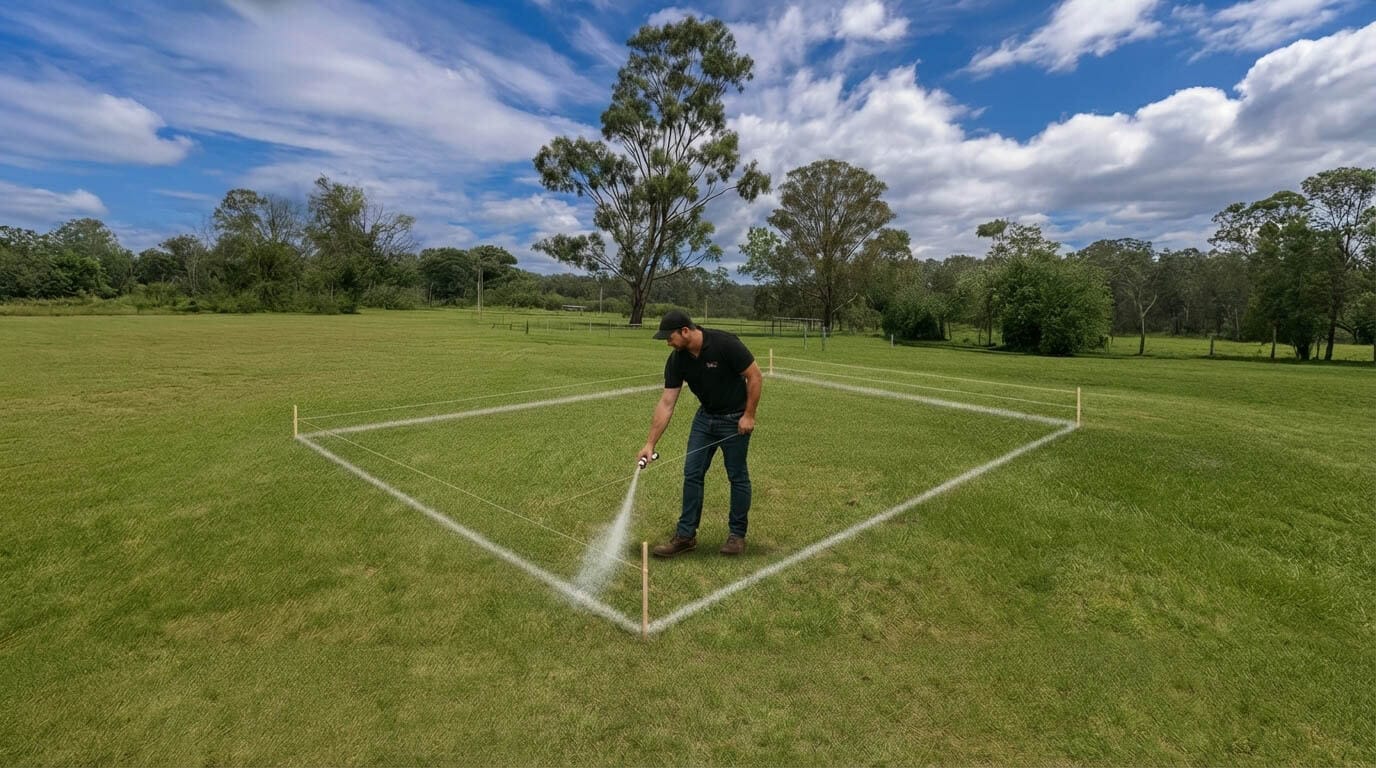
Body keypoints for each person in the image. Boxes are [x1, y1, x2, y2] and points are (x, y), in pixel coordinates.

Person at [637, 309, 762, 557]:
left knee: (737, 476)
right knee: (692, 472)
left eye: (669, 337)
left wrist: (748, 415)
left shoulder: (725, 344)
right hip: (705, 419)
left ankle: (737, 536)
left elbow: (755, 376)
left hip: (734, 419)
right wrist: (650, 444)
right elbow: (666, 402)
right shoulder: (677, 359)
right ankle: (685, 536)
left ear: (685, 331)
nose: (667, 342)